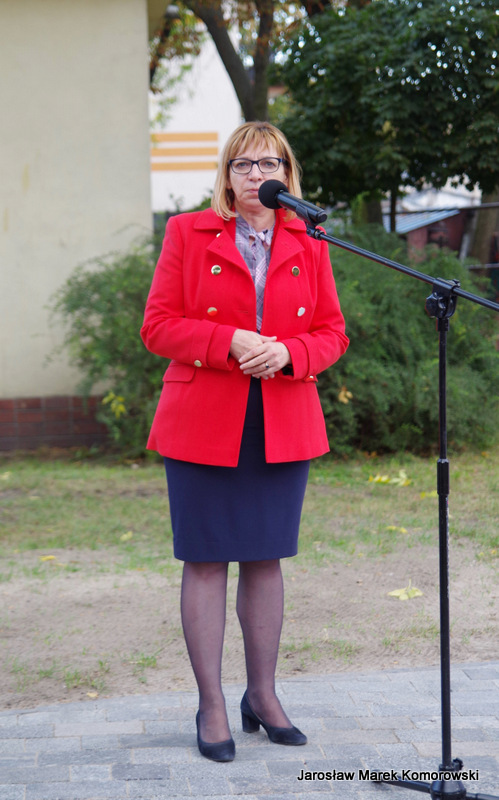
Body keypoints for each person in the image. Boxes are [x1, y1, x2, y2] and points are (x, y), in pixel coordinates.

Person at [140, 121, 349, 762]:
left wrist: (290, 352)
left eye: (270, 163)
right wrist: (225, 340)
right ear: (227, 176)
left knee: (265, 558)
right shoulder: (187, 232)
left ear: (288, 174)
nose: (258, 174)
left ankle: (262, 695)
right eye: (244, 164)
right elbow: (157, 326)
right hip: (202, 420)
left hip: (281, 417)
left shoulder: (309, 240)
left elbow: (333, 332)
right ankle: (211, 704)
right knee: (205, 560)